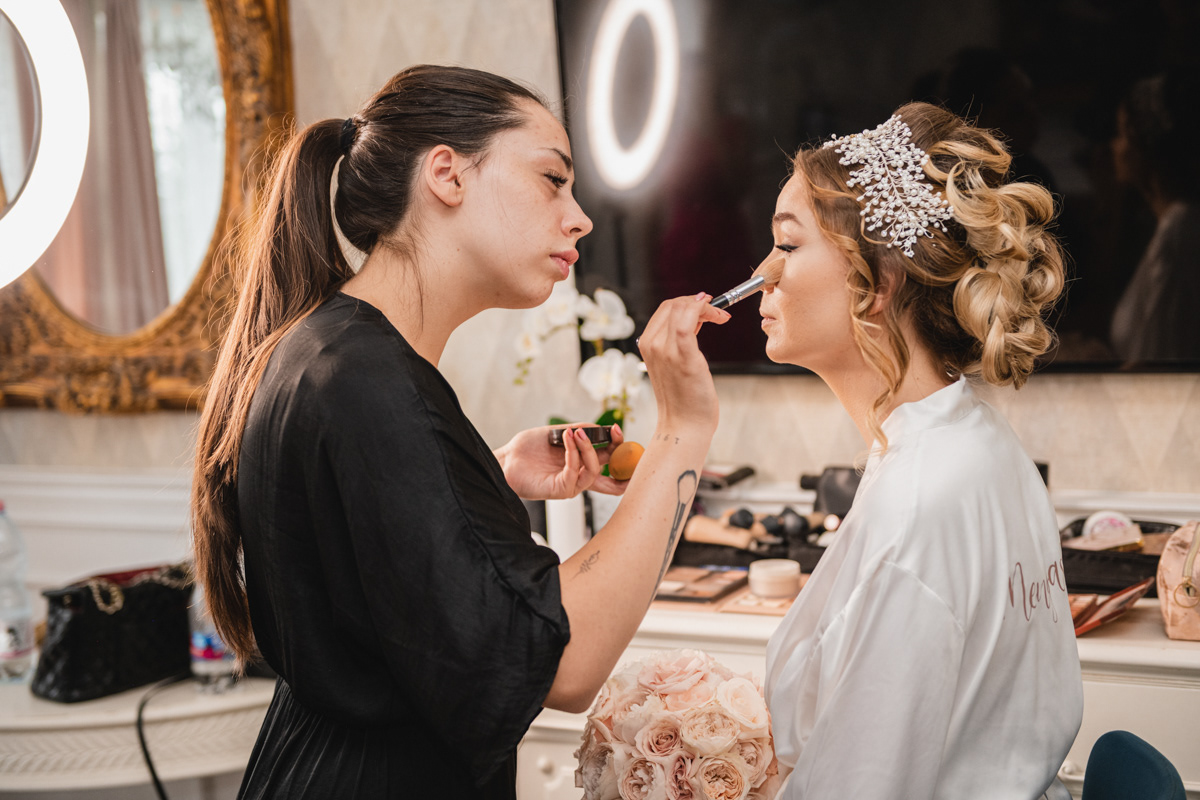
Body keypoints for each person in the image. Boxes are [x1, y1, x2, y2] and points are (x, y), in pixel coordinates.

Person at [190, 64, 729, 799]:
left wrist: (487, 475)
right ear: (446, 174)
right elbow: (565, 664)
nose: (579, 217)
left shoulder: (324, 348)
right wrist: (683, 432)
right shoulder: (370, 383)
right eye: (552, 179)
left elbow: (360, 546)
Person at [759, 103, 1083, 798]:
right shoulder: (979, 441)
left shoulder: (916, 504)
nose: (764, 272)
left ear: (877, 283)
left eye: (787, 245)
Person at [1109, 71, 1200, 365]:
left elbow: (1164, 362)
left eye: (1121, 134)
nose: (1115, 146)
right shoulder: (1173, 226)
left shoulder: (1179, 231)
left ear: (1145, 148)